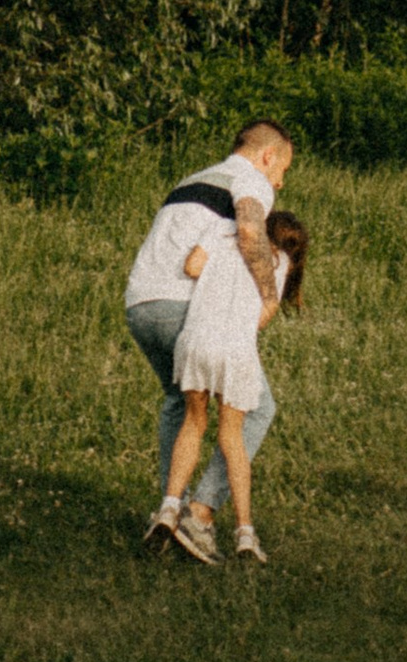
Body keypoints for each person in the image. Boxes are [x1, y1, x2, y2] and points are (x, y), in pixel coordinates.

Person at [123, 121, 295, 566]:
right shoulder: (250, 179)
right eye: (283, 170)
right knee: (256, 408)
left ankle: (170, 512)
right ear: (267, 157)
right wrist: (269, 295)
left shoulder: (193, 179)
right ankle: (199, 516)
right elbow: (251, 231)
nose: (280, 183)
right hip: (185, 308)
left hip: (140, 305)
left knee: (179, 403)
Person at [149, 210, 307, 567]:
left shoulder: (222, 233)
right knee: (232, 438)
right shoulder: (279, 263)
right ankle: (245, 533)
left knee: (193, 422)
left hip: (197, 340)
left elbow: (192, 266)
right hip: (235, 350)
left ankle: (169, 509)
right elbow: (263, 316)